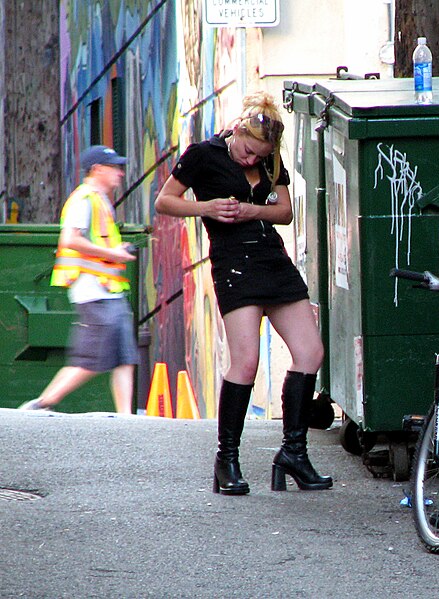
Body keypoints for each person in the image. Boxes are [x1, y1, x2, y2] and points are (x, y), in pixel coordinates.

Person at [155, 92, 331, 495]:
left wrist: (253, 211)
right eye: (249, 151)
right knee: (246, 360)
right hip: (234, 263)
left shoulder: (270, 159)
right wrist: (208, 208)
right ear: (236, 131)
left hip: (273, 260)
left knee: (310, 352)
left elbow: (284, 212)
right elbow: (165, 202)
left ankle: (294, 453)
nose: (253, 160)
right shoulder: (202, 155)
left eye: (261, 155)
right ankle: (227, 461)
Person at [19, 145, 137, 414]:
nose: (120, 173)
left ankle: (127, 419)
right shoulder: (83, 199)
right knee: (89, 361)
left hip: (109, 292)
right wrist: (113, 253)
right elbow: (70, 239)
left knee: (125, 357)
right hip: (92, 292)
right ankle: (40, 404)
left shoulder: (100, 200)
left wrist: (115, 252)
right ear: (97, 170)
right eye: (114, 167)